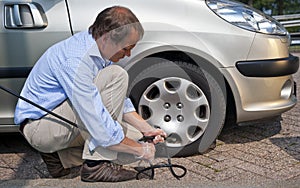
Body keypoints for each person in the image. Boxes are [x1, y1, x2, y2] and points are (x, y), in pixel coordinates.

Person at [14, 6, 167, 182]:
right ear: (108, 38)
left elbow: (117, 102)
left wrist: (147, 130)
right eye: (126, 48)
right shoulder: (76, 61)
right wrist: (139, 150)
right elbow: (93, 116)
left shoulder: (99, 49)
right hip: (40, 129)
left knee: (134, 135)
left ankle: (62, 159)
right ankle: (97, 165)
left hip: (60, 124)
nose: (128, 54)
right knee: (117, 77)